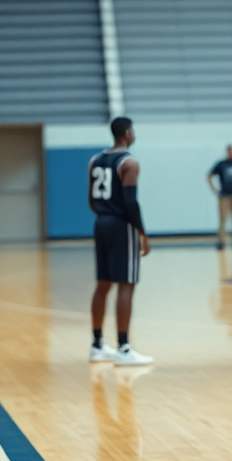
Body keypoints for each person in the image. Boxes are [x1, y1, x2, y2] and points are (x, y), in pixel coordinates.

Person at [87, 117, 153, 366]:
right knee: (126, 283)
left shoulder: (95, 161)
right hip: (120, 224)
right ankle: (124, 347)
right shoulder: (129, 163)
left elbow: (91, 200)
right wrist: (141, 232)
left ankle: (97, 345)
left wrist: (105, 215)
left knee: (103, 283)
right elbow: (130, 202)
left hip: (101, 222)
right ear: (127, 132)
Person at [208, 145, 232, 249]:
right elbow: (209, 175)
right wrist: (214, 189)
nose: (231, 153)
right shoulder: (221, 164)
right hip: (224, 195)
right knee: (223, 218)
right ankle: (221, 241)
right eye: (229, 151)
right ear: (226, 152)